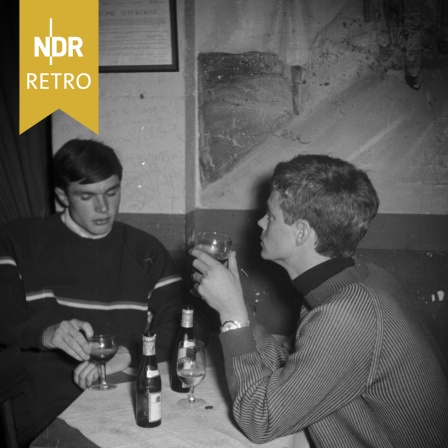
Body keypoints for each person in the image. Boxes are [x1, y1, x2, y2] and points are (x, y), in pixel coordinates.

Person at [191, 154, 448, 447]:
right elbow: (293, 370)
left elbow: (260, 420)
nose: (261, 222)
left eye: (271, 215)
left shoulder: (347, 313)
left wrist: (233, 318)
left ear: (301, 232)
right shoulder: (357, 281)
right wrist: (237, 310)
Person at [0, 139, 191, 446]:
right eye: (87, 196)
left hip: (129, 401)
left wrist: (131, 354)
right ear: (62, 196)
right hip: (50, 413)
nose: (103, 208)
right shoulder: (17, 240)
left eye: (111, 192)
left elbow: (180, 326)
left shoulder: (146, 250)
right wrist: (44, 332)